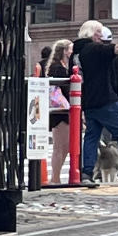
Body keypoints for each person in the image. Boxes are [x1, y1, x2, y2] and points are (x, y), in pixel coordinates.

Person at [73, 20, 118, 182]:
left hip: (88, 100)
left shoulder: (77, 52)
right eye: (98, 31)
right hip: (104, 98)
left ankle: (87, 171)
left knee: (92, 136)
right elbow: (116, 49)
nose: (101, 35)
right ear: (91, 33)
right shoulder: (93, 49)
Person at [40, 39, 76, 184]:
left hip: (62, 109)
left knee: (65, 146)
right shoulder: (58, 68)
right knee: (59, 146)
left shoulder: (60, 66)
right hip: (60, 110)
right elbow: (64, 90)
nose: (72, 52)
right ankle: (55, 178)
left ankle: (57, 176)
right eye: (70, 49)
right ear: (65, 51)